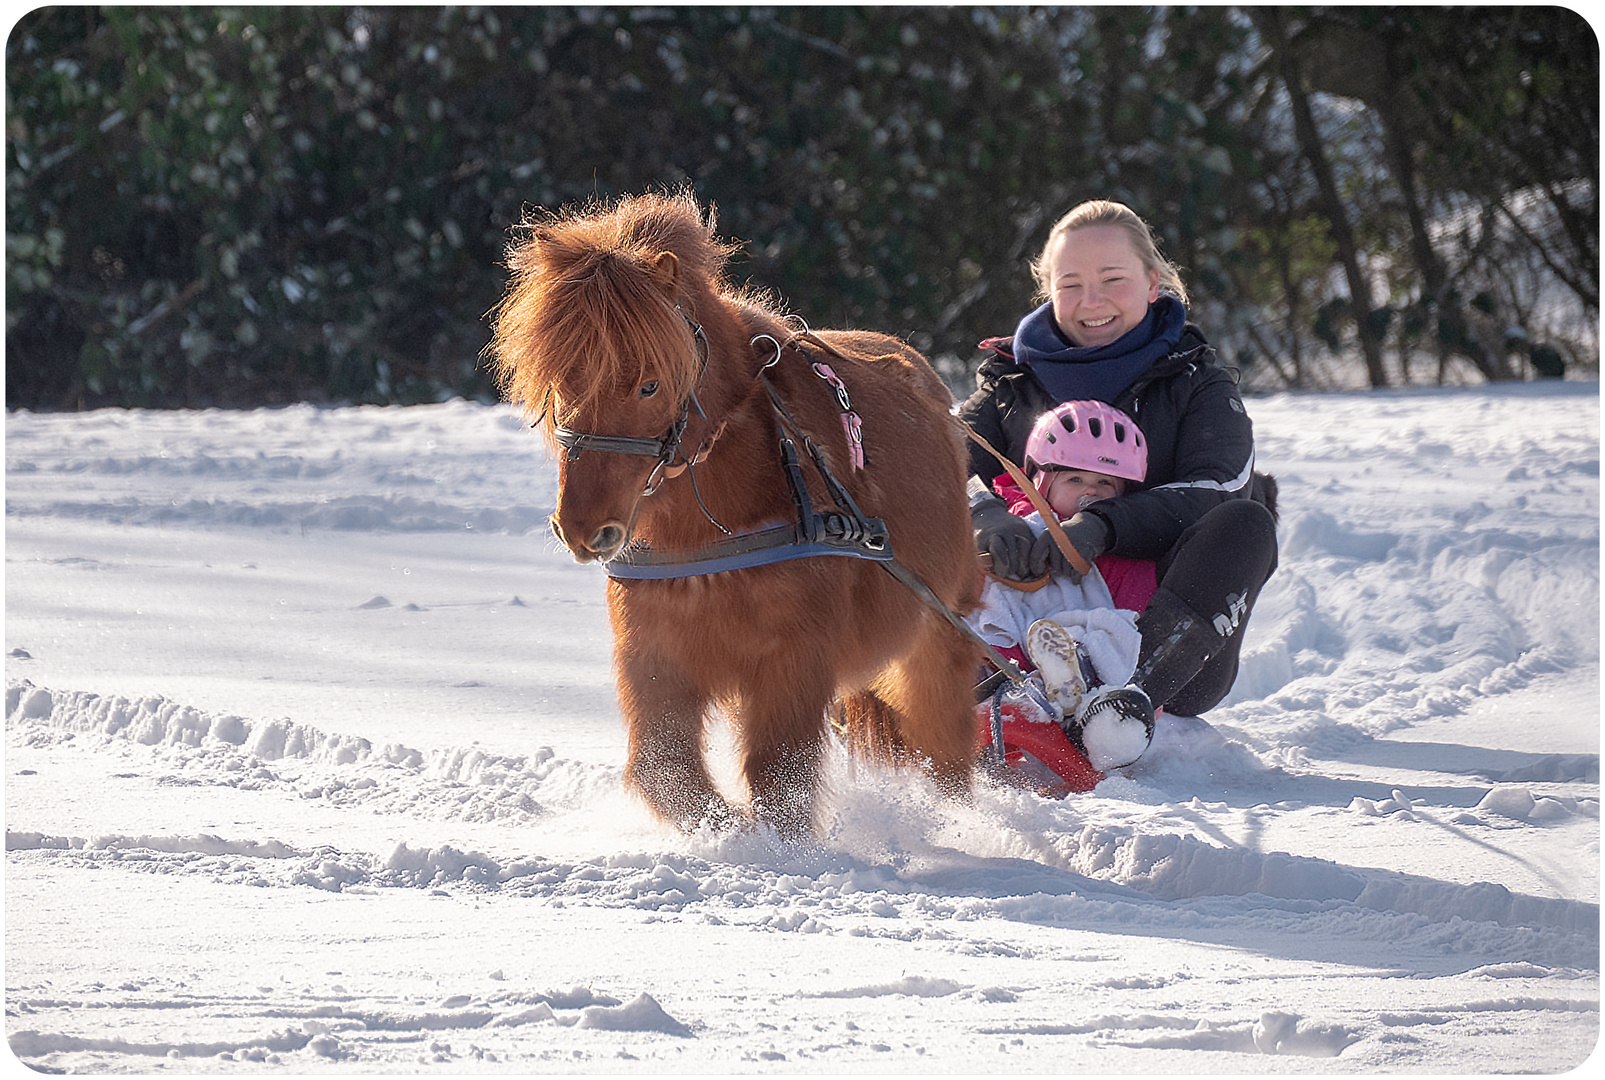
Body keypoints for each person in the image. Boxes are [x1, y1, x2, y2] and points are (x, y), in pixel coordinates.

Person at [960, 199, 1279, 770]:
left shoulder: (1195, 381)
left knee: (1249, 520)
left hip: (1161, 628)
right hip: (1018, 607)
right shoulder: (1011, 384)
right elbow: (934, 460)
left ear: (1153, 283)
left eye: (1113, 280)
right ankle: (954, 691)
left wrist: (1105, 525)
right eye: (1071, 283)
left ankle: (1125, 708)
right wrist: (981, 511)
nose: (1092, 301)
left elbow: (1222, 485)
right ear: (1048, 291)